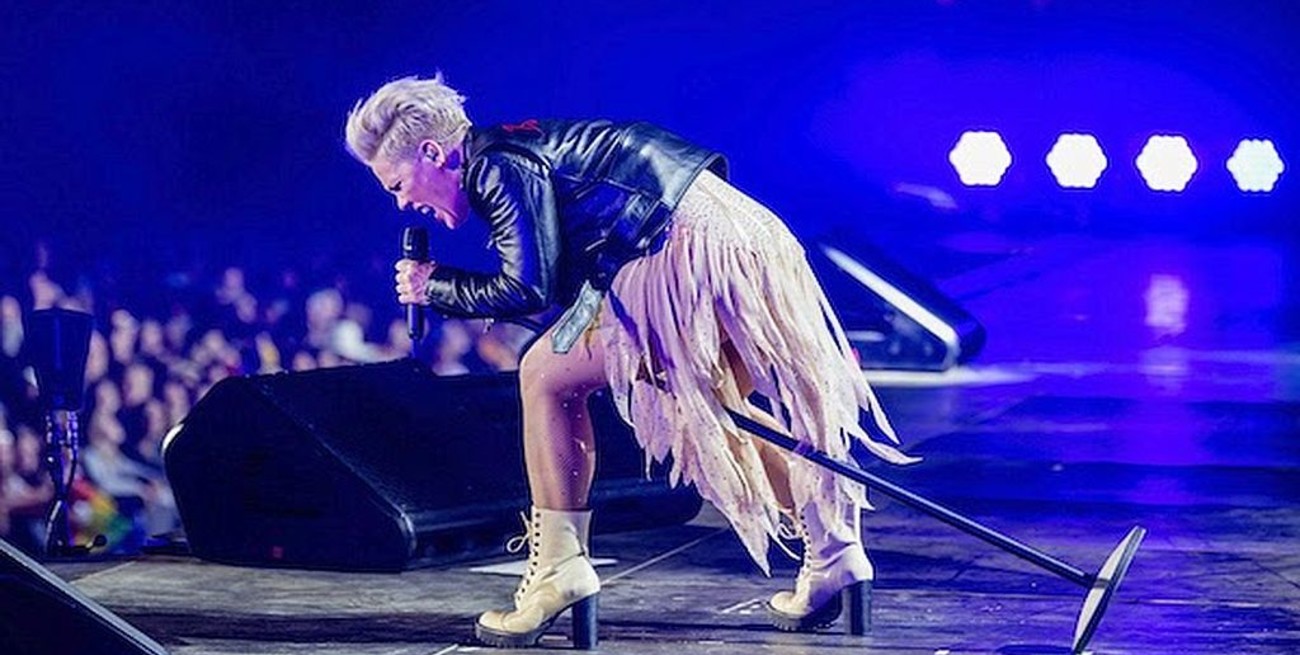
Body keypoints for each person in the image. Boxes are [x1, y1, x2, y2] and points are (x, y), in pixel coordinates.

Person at [345, 73, 918, 648]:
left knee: (544, 375)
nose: (402, 203)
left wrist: (434, 285)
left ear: (432, 153)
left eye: (397, 184)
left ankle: (559, 571)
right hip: (749, 238)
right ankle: (835, 549)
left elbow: (527, 288)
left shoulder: (495, 165)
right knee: (712, 408)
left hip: (683, 245)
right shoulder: (518, 148)